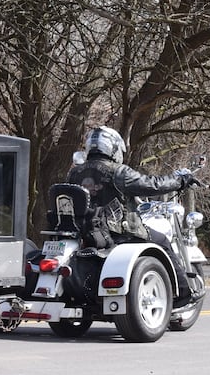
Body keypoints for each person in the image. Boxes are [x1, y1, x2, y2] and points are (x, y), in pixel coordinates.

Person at [67, 125, 199, 300]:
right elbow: (152, 184)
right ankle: (183, 293)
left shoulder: (74, 173)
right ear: (113, 148)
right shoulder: (117, 172)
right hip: (118, 233)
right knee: (162, 240)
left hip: (83, 231)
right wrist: (180, 180)